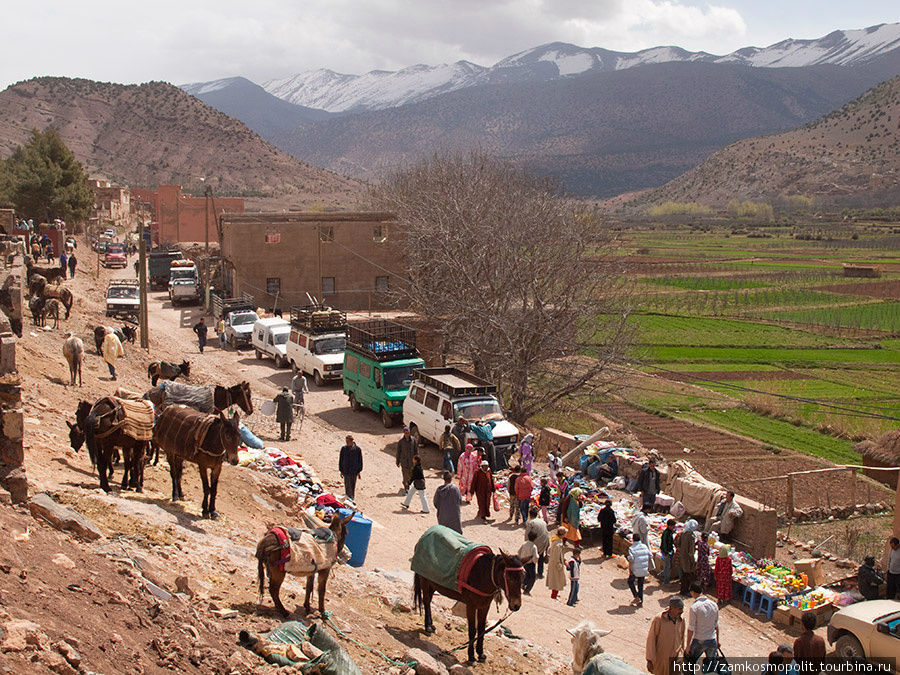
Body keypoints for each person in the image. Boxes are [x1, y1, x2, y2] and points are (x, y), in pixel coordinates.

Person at [646, 596, 685, 675]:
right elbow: (651, 639)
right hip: (662, 658)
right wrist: (650, 660)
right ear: (671, 608)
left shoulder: (681, 619)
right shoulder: (659, 619)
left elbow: (682, 637)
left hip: (676, 657)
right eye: (679, 609)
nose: (682, 611)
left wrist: (682, 653)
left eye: (682, 608)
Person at [686, 582, 719, 665]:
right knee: (711, 666)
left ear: (693, 592)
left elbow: (691, 628)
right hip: (712, 639)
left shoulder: (694, 607)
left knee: (689, 663)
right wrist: (717, 641)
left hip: (699, 639)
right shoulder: (714, 604)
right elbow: (716, 625)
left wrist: (687, 646)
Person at [525, 506, 550, 578]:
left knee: (532, 558)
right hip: (543, 543)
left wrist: (527, 544)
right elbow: (546, 533)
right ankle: (540, 572)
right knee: (540, 558)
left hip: (534, 543)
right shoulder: (543, 522)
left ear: (530, 515)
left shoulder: (530, 522)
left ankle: (531, 573)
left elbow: (527, 534)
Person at [628, 533, 652, 606]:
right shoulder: (645, 546)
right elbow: (650, 556)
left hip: (635, 569)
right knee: (640, 585)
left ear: (633, 539)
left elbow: (631, 559)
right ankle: (640, 599)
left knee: (630, 581)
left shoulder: (631, 548)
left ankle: (636, 596)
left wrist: (630, 569)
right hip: (644, 569)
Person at [676, 520, 698, 596]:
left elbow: (678, 544)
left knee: (684, 575)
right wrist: (693, 560)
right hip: (687, 559)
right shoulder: (691, 536)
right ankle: (685, 591)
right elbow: (691, 552)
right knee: (688, 575)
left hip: (682, 556)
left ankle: (683, 589)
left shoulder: (683, 533)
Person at [338, 435, 363, 501]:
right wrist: (341, 470)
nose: (347, 443)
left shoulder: (357, 450)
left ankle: (351, 499)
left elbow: (360, 461)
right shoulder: (344, 449)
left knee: (352, 486)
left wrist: (359, 471)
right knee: (347, 486)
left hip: (354, 471)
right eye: (346, 441)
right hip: (346, 471)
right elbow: (341, 459)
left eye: (348, 441)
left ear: (352, 441)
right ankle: (349, 499)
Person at [547, 526, 567, 599]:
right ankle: (554, 596)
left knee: (556, 580)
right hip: (556, 565)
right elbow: (556, 557)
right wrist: (559, 566)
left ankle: (555, 594)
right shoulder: (557, 544)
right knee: (556, 581)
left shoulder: (558, 541)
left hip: (556, 564)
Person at [395, 427, 418, 493]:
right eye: (406, 433)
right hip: (404, 462)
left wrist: (417, 460)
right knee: (405, 476)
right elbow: (398, 452)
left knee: (411, 476)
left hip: (412, 462)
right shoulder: (401, 442)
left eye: (408, 433)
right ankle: (406, 488)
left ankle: (407, 483)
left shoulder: (413, 440)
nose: (407, 434)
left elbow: (416, 451)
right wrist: (397, 461)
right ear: (404, 433)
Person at [519, 531, 539, 595]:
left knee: (527, 575)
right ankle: (527, 590)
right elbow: (536, 556)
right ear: (535, 538)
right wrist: (534, 561)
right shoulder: (534, 546)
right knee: (532, 577)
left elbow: (519, 552)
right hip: (531, 564)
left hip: (524, 563)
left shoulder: (524, 544)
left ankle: (523, 584)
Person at [660, 519, 677, 584]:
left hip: (670, 550)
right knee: (667, 566)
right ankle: (666, 580)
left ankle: (661, 574)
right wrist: (666, 552)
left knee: (669, 565)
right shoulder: (666, 533)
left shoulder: (670, 532)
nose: (674, 528)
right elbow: (664, 543)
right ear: (669, 526)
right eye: (673, 526)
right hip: (666, 551)